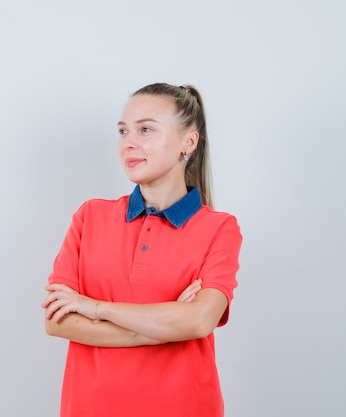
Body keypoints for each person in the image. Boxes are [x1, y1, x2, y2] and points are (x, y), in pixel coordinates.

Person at [41, 82, 242, 417]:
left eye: (145, 129)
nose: (128, 143)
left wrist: (93, 307)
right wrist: (162, 328)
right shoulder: (90, 216)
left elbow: (198, 321)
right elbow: (57, 321)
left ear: (187, 142)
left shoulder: (219, 228)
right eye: (122, 131)